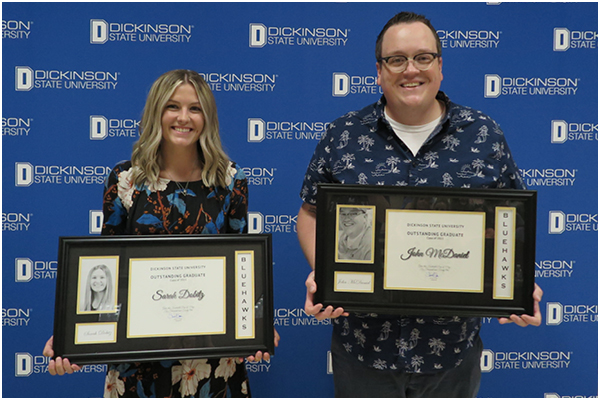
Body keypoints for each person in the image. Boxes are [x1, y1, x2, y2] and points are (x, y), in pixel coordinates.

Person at [297, 12, 543, 398]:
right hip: (364, 348)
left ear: (440, 67)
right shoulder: (344, 135)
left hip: (450, 353)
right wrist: (326, 274)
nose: (410, 69)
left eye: (423, 57)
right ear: (379, 71)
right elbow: (311, 214)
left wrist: (513, 282)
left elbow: (510, 222)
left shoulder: (483, 135)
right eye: (396, 59)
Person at [43, 69, 279, 397]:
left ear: (207, 117)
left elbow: (243, 264)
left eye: (195, 108)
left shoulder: (229, 181)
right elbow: (104, 265)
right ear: (157, 112)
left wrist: (256, 323)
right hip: (138, 360)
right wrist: (73, 333)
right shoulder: (126, 179)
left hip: (210, 361)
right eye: (173, 106)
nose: (184, 118)